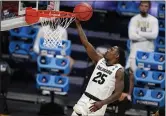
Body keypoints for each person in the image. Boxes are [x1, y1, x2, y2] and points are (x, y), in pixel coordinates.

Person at [71, 20, 125, 116]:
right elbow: (86, 44)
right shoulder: (99, 59)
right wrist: (78, 25)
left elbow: (118, 94)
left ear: (116, 56)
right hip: (84, 99)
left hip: (98, 104)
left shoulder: (119, 70)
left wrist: (102, 103)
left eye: (111, 50)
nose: (108, 50)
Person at [125, 0, 159, 105]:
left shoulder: (154, 20)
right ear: (139, 6)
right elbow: (131, 36)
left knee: (146, 77)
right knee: (132, 75)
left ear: (149, 7)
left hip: (149, 53)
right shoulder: (134, 19)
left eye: (146, 6)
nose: (144, 8)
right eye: (142, 6)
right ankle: (129, 96)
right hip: (135, 52)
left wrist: (139, 33)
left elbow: (154, 35)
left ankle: (144, 100)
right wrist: (147, 35)